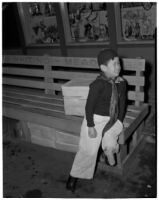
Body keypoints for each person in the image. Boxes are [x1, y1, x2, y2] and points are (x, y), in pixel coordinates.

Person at [66, 49, 127, 193]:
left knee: (110, 138)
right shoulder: (97, 84)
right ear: (103, 68)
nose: (118, 66)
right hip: (95, 119)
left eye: (119, 63)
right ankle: (74, 175)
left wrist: (119, 120)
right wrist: (90, 126)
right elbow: (89, 107)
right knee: (89, 149)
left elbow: (122, 103)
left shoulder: (122, 83)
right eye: (115, 64)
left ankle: (108, 152)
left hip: (112, 117)